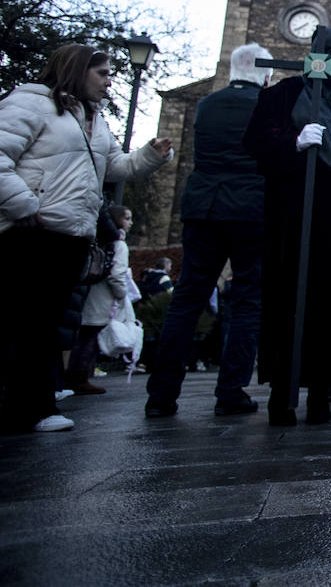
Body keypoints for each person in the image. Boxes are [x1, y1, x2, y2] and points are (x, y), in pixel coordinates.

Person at [0, 44, 172, 433]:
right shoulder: (31, 104)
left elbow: (117, 166)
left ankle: (34, 407)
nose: (110, 81)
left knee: (44, 325)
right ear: (78, 70)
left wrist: (152, 154)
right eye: (103, 73)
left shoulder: (94, 119)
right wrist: (24, 205)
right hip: (30, 231)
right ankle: (29, 407)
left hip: (71, 234)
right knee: (24, 322)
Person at [242, 27, 331, 426]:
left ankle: (323, 391)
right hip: (293, 220)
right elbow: (255, 141)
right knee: (288, 303)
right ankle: (281, 394)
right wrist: (292, 142)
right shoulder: (282, 95)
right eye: (330, 53)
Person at [146, 43, 272, 418]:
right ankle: (231, 390)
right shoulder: (266, 106)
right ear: (266, 74)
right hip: (250, 208)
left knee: (187, 299)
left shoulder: (206, 105)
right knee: (248, 298)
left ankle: (161, 394)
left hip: (203, 207)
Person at [67, 205, 132, 394]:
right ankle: (79, 377)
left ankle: (73, 375)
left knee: (82, 335)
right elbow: (117, 275)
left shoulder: (97, 239)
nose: (130, 223)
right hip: (104, 298)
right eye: (127, 218)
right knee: (92, 338)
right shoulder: (119, 244)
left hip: (88, 294)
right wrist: (121, 294)